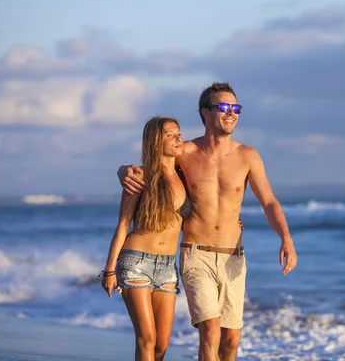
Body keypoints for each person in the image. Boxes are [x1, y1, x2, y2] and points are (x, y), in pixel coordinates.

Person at [119, 82, 297, 361]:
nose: (231, 113)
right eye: (223, 107)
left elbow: (270, 202)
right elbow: (153, 162)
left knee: (230, 340)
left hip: (233, 257)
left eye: (235, 108)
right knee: (210, 332)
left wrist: (286, 237)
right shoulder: (185, 153)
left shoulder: (247, 156)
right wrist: (123, 171)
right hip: (196, 254)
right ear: (205, 113)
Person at [102, 116, 189, 361]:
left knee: (161, 345)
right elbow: (122, 224)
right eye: (170, 135)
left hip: (167, 268)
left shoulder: (185, 178)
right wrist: (109, 270)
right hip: (135, 263)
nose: (178, 138)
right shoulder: (140, 176)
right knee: (147, 338)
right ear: (155, 142)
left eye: (178, 133)